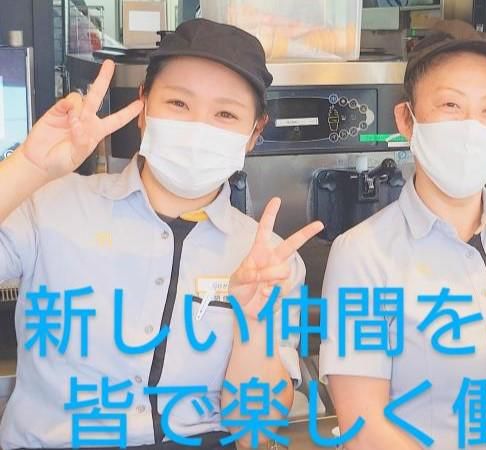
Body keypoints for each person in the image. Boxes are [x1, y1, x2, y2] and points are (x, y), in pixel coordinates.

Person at [0, 19, 323, 449]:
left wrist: (252, 324)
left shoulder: (270, 261)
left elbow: (252, 430)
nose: (198, 127)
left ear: (254, 134)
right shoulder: (51, 206)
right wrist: (28, 167)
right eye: (178, 103)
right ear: (143, 105)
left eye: (225, 114)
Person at [318, 19, 486, 450]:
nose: (471, 128)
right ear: (407, 119)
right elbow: (364, 423)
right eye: (450, 105)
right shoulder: (361, 254)